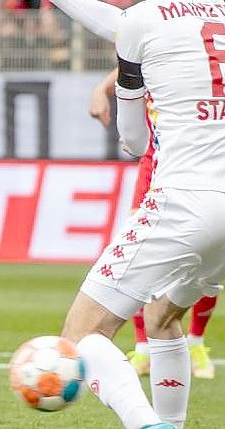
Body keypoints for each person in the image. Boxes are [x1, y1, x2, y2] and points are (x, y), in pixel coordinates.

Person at [24, 0, 225, 428]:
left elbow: (135, 141)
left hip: (185, 199)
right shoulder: (218, 12)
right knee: (162, 315)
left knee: (80, 338)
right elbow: (117, 22)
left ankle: (146, 425)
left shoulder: (142, 19)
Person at [89, 68, 218, 380]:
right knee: (139, 255)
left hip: (201, 163)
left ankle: (196, 343)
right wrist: (100, 90)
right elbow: (133, 61)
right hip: (155, 161)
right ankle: (144, 349)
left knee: (205, 260)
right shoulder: (158, 33)